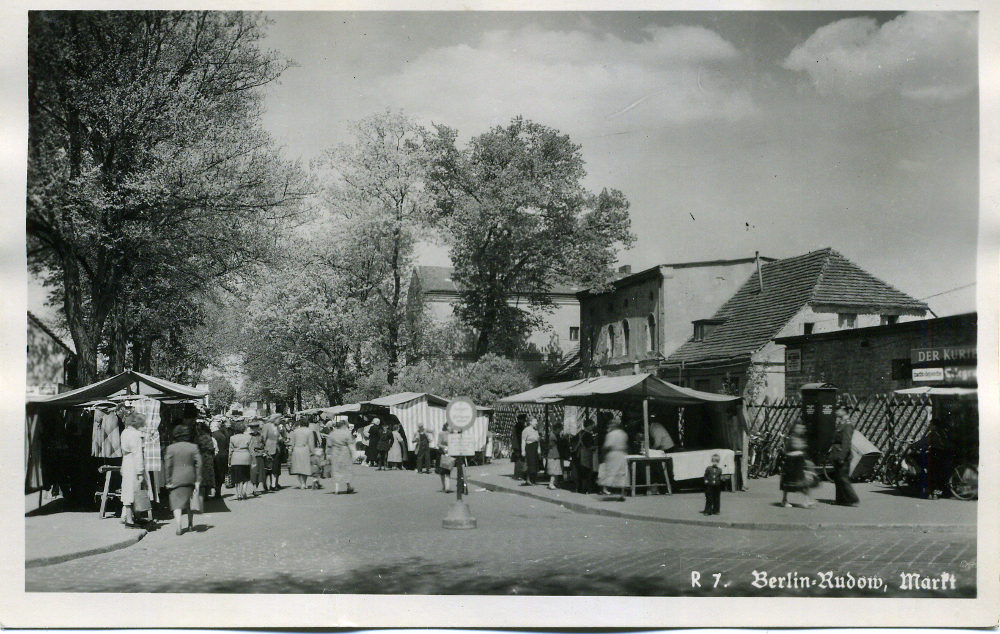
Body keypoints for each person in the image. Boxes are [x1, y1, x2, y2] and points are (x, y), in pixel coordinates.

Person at [164, 424, 203, 535]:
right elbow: (199, 464)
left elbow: (167, 466)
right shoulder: (193, 447)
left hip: (175, 479)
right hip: (190, 477)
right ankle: (190, 524)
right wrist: (198, 480)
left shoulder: (170, 448)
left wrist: (167, 481)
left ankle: (178, 527)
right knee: (190, 502)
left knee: (176, 503)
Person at [119, 411, 147, 528]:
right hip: (133, 464)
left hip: (126, 462)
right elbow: (137, 454)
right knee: (134, 491)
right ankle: (130, 520)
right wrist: (140, 471)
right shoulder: (136, 435)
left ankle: (131, 517)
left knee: (127, 490)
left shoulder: (125, 432)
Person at [828, 406, 860, 507]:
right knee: (838, 478)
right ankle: (840, 500)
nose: (836, 412)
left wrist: (842, 457)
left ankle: (852, 498)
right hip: (837, 455)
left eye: (838, 410)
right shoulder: (841, 423)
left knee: (843, 478)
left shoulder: (847, 424)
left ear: (843, 411)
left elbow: (846, 443)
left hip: (843, 457)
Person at [780, 421, 816, 509]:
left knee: (804, 481)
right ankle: (784, 500)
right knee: (789, 483)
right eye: (799, 428)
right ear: (795, 429)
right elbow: (787, 451)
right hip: (792, 462)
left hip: (799, 462)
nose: (801, 430)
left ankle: (807, 501)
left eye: (802, 428)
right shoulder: (791, 438)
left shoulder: (801, 438)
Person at [598, 419, 628, 501]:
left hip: (613, 454)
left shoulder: (611, 434)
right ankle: (622, 493)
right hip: (621, 454)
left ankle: (606, 489)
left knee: (610, 472)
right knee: (621, 473)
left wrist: (603, 454)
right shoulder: (623, 434)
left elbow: (607, 446)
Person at [326, 417, 356, 494]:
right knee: (346, 469)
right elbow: (350, 445)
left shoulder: (332, 434)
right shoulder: (347, 433)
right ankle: (348, 486)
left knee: (336, 469)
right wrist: (354, 455)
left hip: (335, 451)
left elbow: (329, 445)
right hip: (344, 452)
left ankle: (336, 488)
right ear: (344, 426)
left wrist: (328, 454)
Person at [227, 420, 252, 500]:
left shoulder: (232, 438)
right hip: (246, 457)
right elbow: (251, 449)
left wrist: (229, 461)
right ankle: (244, 491)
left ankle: (239, 493)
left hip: (236, 457)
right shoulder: (249, 437)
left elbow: (230, 450)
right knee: (246, 476)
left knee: (237, 478)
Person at [574, 418, 599, 494]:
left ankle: (579, 488)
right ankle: (585, 489)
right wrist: (597, 447)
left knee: (580, 472)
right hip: (585, 455)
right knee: (586, 472)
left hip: (578, 455)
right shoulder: (587, 435)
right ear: (588, 426)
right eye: (592, 425)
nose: (593, 427)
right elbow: (588, 447)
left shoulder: (580, 433)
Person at [289, 419, 315, 489]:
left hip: (296, 449)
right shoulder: (309, 431)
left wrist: (291, 450)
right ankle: (304, 483)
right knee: (305, 466)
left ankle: (300, 482)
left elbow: (292, 442)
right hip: (304, 449)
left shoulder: (295, 431)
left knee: (298, 466)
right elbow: (311, 443)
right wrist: (313, 451)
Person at [194, 420, 216, 501]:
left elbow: (195, 447)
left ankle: (202, 495)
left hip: (201, 456)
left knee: (202, 476)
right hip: (209, 457)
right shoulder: (209, 437)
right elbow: (212, 448)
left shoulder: (198, 437)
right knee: (208, 476)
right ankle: (207, 494)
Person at [210, 418, 230, 499]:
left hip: (217, 456)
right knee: (221, 473)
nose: (210, 427)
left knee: (216, 473)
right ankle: (218, 491)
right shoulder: (222, 434)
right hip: (224, 455)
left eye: (211, 426)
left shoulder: (213, 435)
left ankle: (216, 491)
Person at [248, 420, 267, 496]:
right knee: (254, 472)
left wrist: (264, 452)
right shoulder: (249, 436)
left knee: (260, 473)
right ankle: (254, 489)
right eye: (252, 427)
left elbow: (264, 444)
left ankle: (256, 488)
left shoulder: (261, 435)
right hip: (252, 456)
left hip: (260, 455)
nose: (253, 429)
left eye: (255, 427)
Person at [262, 415, 281, 491]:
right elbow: (263, 437)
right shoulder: (267, 426)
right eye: (279, 419)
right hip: (268, 449)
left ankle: (273, 485)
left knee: (275, 467)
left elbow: (278, 437)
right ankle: (265, 483)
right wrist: (264, 449)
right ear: (274, 419)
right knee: (268, 468)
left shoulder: (278, 427)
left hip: (276, 448)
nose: (280, 420)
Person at [520, 417, 540, 486]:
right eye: (535, 421)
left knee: (535, 464)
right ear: (530, 422)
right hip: (529, 448)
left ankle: (533, 479)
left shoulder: (536, 430)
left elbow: (538, 440)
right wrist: (523, 451)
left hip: (535, 448)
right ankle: (528, 480)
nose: (536, 423)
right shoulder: (526, 430)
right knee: (529, 464)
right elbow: (523, 441)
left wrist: (539, 448)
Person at [546, 422, 564, 490]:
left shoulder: (554, 434)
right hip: (553, 454)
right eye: (560, 429)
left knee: (557, 469)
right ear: (557, 429)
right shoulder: (553, 436)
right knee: (554, 470)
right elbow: (559, 443)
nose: (560, 431)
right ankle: (551, 483)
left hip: (555, 454)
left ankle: (555, 482)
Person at [436, 423, 454, 492]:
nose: (451, 428)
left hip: (450, 454)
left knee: (448, 470)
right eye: (450, 426)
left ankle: (447, 487)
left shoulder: (453, 435)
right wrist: (445, 447)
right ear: (446, 427)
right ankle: (444, 486)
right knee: (443, 471)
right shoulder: (442, 434)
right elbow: (438, 444)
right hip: (442, 453)